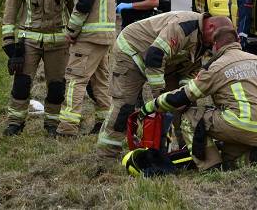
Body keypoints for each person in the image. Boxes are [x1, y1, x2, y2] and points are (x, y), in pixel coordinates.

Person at [140, 26, 257, 170]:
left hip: (238, 124)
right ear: (238, 40)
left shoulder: (217, 66)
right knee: (231, 161)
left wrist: (152, 105)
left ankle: (210, 167)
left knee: (190, 116)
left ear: (215, 45)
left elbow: (183, 96)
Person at [95, 11, 226, 158]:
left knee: (185, 104)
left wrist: (184, 95)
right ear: (211, 27)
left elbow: (190, 69)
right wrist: (161, 95)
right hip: (132, 52)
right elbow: (155, 55)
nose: (215, 46)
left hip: (167, 62)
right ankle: (107, 155)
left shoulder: (206, 39)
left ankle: (187, 150)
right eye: (215, 41)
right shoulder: (182, 26)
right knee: (125, 106)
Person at [1, 0, 74, 137]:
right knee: (22, 84)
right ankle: (15, 123)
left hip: (58, 41)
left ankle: (52, 124)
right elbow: (10, 10)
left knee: (56, 86)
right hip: (29, 40)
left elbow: (74, 8)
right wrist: (8, 40)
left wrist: (76, 34)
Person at [56, 0, 117, 136]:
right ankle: (104, 123)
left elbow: (84, 1)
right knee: (100, 82)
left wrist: (71, 29)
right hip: (107, 34)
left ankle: (67, 127)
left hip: (89, 35)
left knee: (75, 80)